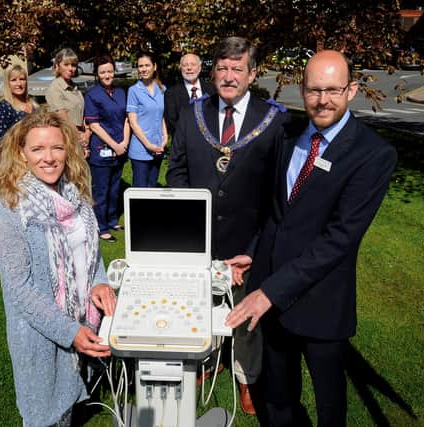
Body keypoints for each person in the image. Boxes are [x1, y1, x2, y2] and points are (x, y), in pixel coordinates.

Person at [225, 50, 397, 426]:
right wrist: (254, 254)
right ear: (301, 90)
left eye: (333, 90)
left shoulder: (373, 155)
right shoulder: (288, 136)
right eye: (314, 90)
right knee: (279, 397)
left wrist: (269, 291)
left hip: (321, 302)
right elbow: (277, 214)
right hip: (271, 295)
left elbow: (339, 239)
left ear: (351, 90)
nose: (323, 100)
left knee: (329, 408)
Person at [166, 36, 288, 415]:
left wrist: (251, 253)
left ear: (252, 74)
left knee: (245, 320)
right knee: (201, 307)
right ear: (212, 72)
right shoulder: (192, 114)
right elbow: (177, 173)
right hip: (198, 239)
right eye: (222, 68)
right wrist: (191, 233)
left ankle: (246, 377)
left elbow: (277, 196)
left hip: (247, 245)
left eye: (237, 68)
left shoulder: (276, 121)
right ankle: (210, 358)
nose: (228, 76)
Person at [0, 110, 117, 427]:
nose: (49, 158)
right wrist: (69, 332)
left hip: (82, 322)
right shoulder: (10, 209)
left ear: (68, 150)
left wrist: (99, 282)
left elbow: (91, 251)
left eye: (56, 148)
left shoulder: (73, 194)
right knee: (47, 415)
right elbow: (19, 290)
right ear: (22, 153)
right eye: (37, 149)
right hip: (42, 337)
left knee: (72, 406)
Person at [84, 55, 130, 243]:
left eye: (110, 71)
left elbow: (127, 118)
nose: (107, 75)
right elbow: (94, 126)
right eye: (103, 72)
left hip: (120, 148)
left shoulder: (121, 92)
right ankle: (101, 226)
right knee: (101, 191)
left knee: (114, 189)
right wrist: (115, 145)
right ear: (97, 74)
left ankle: (112, 220)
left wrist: (124, 142)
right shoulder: (92, 95)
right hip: (102, 149)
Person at [127, 51, 168, 187]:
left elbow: (161, 116)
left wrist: (165, 138)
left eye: (147, 65)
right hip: (141, 149)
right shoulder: (134, 90)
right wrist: (148, 145)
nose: (143, 69)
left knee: (152, 188)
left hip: (158, 147)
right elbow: (133, 122)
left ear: (154, 67)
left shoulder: (162, 89)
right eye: (140, 66)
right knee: (140, 191)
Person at [45, 48, 91, 157]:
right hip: (66, 138)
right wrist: (80, 140)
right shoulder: (55, 88)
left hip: (80, 136)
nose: (71, 69)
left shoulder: (75, 87)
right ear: (57, 66)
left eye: (73, 65)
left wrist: (87, 133)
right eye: (66, 64)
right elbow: (63, 118)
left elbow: (83, 112)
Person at [164, 53, 216, 137]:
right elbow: (171, 122)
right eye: (185, 65)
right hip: (184, 144)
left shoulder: (212, 90)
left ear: (200, 68)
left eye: (193, 64)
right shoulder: (171, 93)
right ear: (181, 68)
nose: (189, 68)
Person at [0, 64, 38, 141]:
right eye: (14, 80)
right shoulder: (4, 106)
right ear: (8, 83)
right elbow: (2, 138)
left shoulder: (33, 101)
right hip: (16, 151)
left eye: (22, 79)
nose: (19, 84)